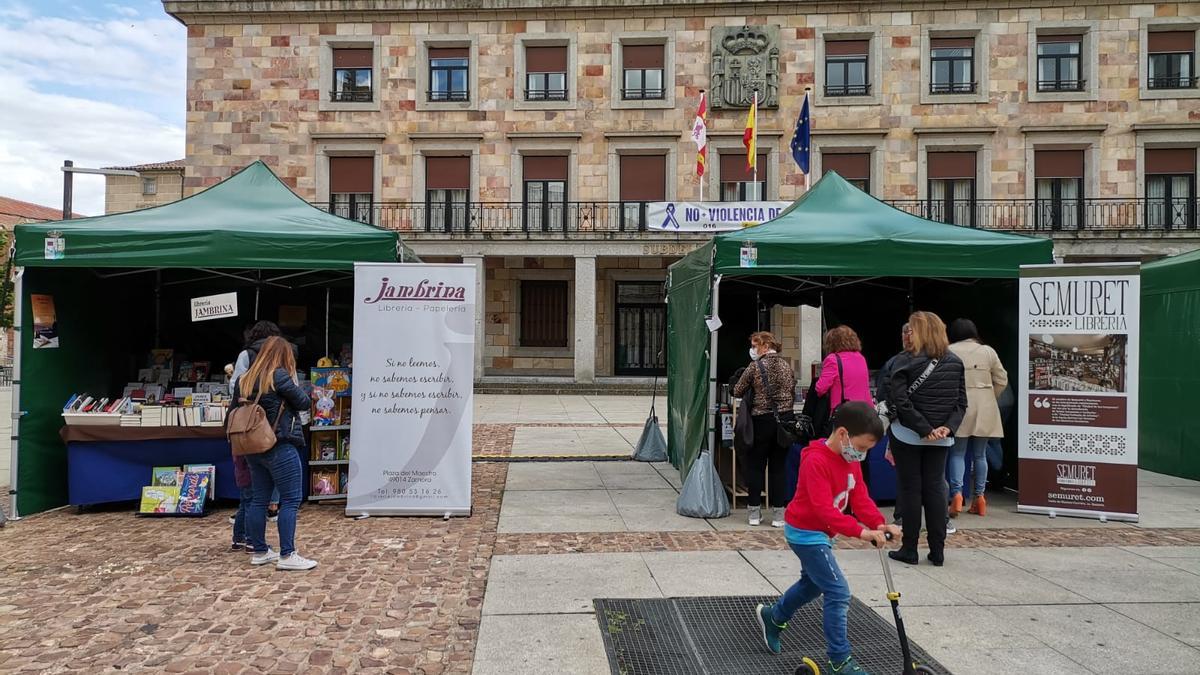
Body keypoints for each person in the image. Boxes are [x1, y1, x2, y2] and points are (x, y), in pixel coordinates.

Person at [754, 401, 901, 674]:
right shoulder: (816, 461)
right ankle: (839, 659)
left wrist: (880, 524)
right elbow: (824, 511)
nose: (863, 455)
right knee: (838, 590)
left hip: (822, 533)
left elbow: (860, 497)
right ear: (844, 434)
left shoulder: (849, 459)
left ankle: (773, 617)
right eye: (862, 447)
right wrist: (862, 532)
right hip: (806, 533)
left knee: (812, 584)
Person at [886, 311, 966, 566]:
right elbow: (961, 402)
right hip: (941, 437)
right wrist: (947, 428)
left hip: (908, 433)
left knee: (910, 490)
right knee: (935, 488)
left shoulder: (904, 361)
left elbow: (900, 401)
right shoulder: (954, 361)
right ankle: (938, 550)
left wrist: (922, 428)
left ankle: (909, 548)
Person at [239, 336, 318, 570]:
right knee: (291, 500)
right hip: (279, 442)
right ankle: (287, 554)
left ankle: (260, 550)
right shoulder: (278, 376)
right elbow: (303, 402)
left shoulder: (244, 380)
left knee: (258, 499)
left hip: (252, 446)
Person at [231, 321, 295, 522]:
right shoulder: (283, 354)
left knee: (253, 481)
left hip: (250, 422)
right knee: (282, 472)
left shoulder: (247, 355)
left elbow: (235, 385)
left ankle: (251, 540)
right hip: (277, 421)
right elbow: (297, 392)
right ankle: (274, 506)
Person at [733, 331, 797, 528]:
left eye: (754, 346)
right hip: (785, 421)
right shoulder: (786, 365)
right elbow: (792, 390)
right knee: (778, 468)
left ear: (763, 345)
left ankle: (754, 512)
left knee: (756, 466)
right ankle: (779, 515)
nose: (752, 350)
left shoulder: (755, 367)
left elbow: (737, 390)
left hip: (761, 420)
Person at [946, 319, 1008, 518]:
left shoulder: (948, 350)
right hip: (985, 407)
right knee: (980, 455)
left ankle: (956, 495)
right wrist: (989, 397)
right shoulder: (988, 351)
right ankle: (979, 498)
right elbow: (1002, 379)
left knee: (957, 453)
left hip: (959, 407)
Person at [817, 325, 874, 492]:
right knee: (860, 462)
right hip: (864, 415)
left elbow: (821, 388)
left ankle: (843, 502)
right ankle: (861, 500)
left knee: (839, 462)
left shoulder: (833, 359)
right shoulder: (861, 358)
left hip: (843, 417)